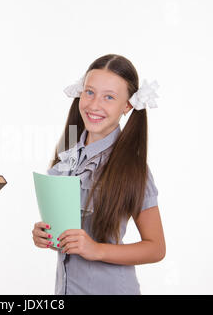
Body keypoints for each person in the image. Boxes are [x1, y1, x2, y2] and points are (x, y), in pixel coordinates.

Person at [32, 54, 165, 294]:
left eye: (109, 97)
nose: (94, 105)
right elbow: (70, 232)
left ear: (127, 106)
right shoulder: (67, 157)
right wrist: (48, 235)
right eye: (89, 92)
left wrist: (97, 249)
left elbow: (156, 248)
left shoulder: (133, 169)